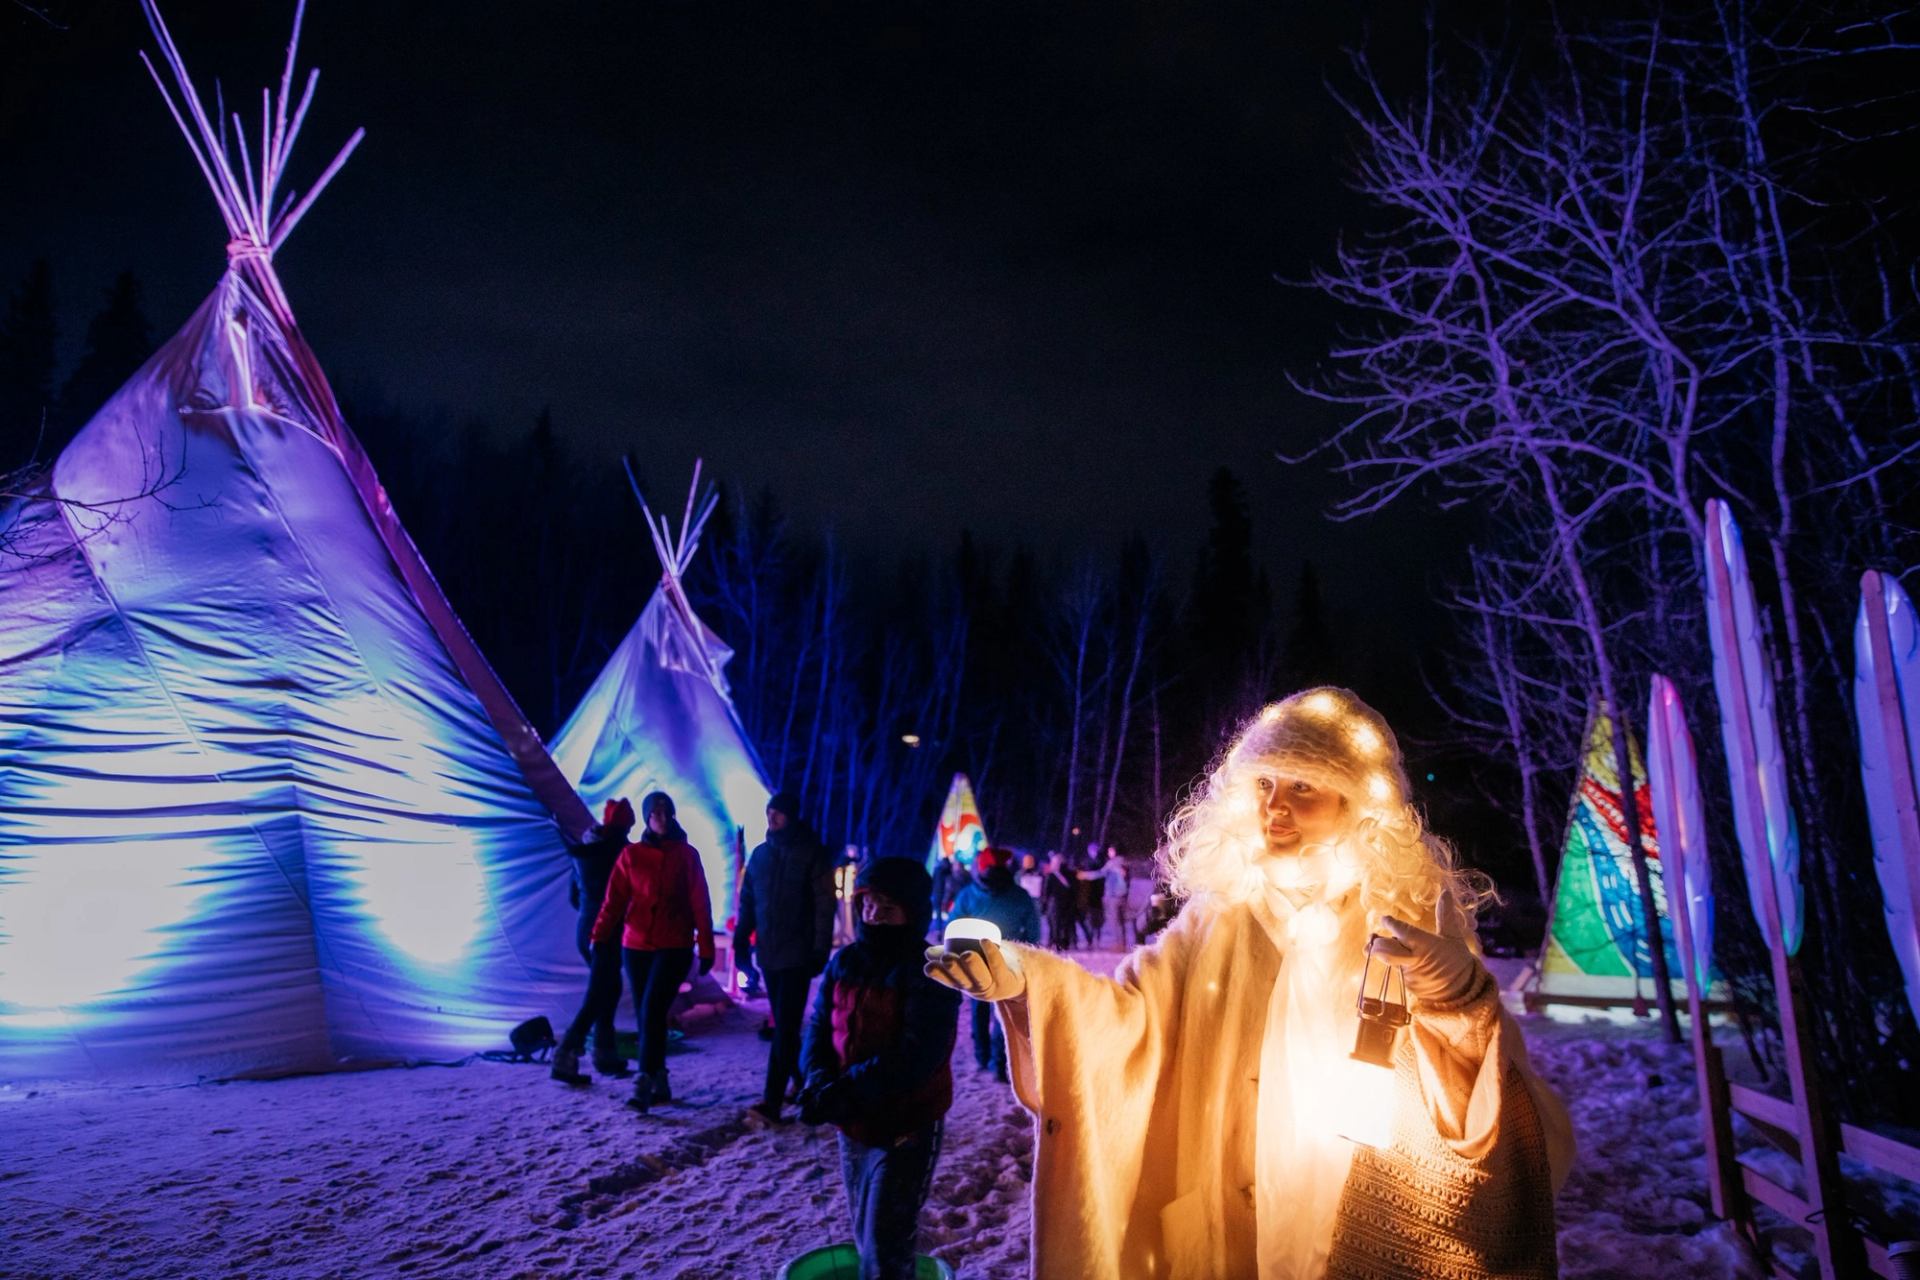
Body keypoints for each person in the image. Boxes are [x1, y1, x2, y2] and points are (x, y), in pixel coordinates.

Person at [926, 687, 1573, 1279]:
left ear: (1356, 807)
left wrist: (1458, 1000)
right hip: (1231, 1229)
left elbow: (1487, 1119)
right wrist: (1025, 980)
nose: (1276, 808)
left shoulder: (1407, 918)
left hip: (1363, 1226)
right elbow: (1127, 1015)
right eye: (1265, 785)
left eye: (1303, 790)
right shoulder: (1219, 919)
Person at [798, 858, 960, 1280]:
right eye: (869, 904)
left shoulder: (931, 970)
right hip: (853, 1124)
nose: (874, 916)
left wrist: (846, 1091)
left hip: (905, 1128)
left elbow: (917, 1055)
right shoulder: (846, 960)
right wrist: (817, 1081)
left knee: (886, 1247)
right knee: (864, 1236)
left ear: (911, 912)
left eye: (887, 908)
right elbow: (818, 1026)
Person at [574, 791, 715, 1109]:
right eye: (656, 814)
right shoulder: (631, 856)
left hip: (674, 944)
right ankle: (660, 1078)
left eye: (666, 813)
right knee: (645, 1014)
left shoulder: (686, 855)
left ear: (673, 816)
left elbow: (700, 902)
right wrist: (599, 936)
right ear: (647, 818)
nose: (662, 819)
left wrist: (706, 946)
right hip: (636, 945)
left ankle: (644, 1079)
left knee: (652, 1009)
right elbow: (614, 901)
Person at [737, 789, 837, 1123]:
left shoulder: (812, 854)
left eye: (778, 813)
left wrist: (819, 950)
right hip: (769, 952)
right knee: (785, 1026)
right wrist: (740, 943)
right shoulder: (760, 855)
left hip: (797, 953)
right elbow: (748, 902)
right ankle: (805, 1082)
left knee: (785, 1027)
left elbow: (825, 906)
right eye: (769, 812)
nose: (772, 818)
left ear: (791, 816)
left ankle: (772, 1101)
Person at [554, 798, 635, 1079]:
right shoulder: (622, 852)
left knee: (608, 989)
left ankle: (605, 1052)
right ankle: (567, 1051)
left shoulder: (584, 851)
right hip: (608, 931)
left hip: (585, 928)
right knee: (599, 992)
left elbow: (574, 897)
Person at [946, 848, 1040, 1081]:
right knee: (1004, 1012)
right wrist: (1028, 953)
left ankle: (982, 1055)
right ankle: (1000, 1062)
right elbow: (1033, 931)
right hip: (1009, 961)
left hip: (976, 960)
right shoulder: (1020, 896)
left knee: (979, 1008)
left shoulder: (967, 895)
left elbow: (953, 926)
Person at [1040, 852, 1077, 951]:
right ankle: (1059, 942)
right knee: (1059, 924)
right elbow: (1046, 891)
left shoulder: (1055, 875)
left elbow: (1046, 892)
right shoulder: (1066, 875)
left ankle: (1059, 942)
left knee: (1058, 924)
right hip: (1061, 903)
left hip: (1059, 903)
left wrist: (1044, 904)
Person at [1076, 840, 1106, 948]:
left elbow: (1102, 875)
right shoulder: (1084, 861)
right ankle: (1089, 938)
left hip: (1097, 894)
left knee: (1097, 918)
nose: (1094, 851)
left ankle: (1096, 938)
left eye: (1096, 849)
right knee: (1087, 918)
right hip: (1087, 894)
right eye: (1092, 849)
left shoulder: (1102, 861)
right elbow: (1079, 875)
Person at [1100, 847, 1131, 947]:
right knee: (1119, 921)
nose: (1109, 853)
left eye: (1111, 851)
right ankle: (1121, 943)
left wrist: (1085, 875)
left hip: (1115, 896)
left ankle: (1119, 944)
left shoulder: (1114, 863)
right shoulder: (1121, 862)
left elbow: (1101, 873)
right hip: (1120, 895)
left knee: (1116, 921)